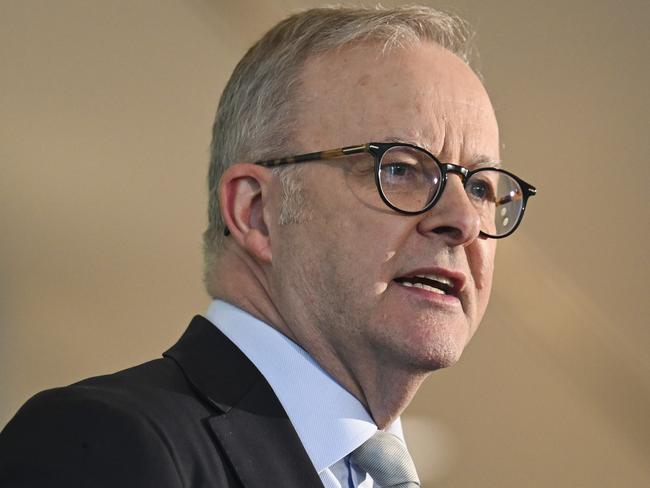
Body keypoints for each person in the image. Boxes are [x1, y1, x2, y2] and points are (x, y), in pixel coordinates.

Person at [0, 5, 536, 488]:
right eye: (398, 169)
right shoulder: (104, 447)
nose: (464, 220)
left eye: (483, 187)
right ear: (256, 212)